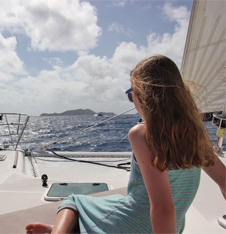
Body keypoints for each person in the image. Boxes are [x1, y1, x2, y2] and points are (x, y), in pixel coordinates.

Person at [25, 55, 226, 233]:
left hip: (138, 224)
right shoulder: (197, 133)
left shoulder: (142, 134)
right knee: (112, 202)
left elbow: (163, 207)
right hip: (172, 227)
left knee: (74, 201)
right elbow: (224, 181)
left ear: (142, 96)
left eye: (131, 94)